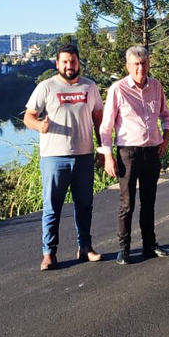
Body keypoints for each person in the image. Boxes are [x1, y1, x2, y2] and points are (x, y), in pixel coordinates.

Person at [24, 44, 104, 271]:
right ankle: (49, 253)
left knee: (85, 205)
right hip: (54, 157)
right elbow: (28, 117)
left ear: (79, 62)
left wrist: (102, 150)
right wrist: (40, 125)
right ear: (57, 64)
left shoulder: (90, 87)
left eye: (74, 61)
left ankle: (85, 248)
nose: (70, 66)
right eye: (65, 62)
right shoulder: (46, 87)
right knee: (52, 207)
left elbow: (99, 119)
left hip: (84, 155)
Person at [100, 46, 169, 265]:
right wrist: (108, 156)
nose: (140, 68)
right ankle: (123, 248)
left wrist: (166, 137)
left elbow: (166, 115)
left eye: (144, 64)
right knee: (127, 202)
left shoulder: (156, 86)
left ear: (148, 64)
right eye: (136, 64)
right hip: (128, 153)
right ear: (128, 66)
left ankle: (149, 245)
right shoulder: (118, 89)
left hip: (152, 151)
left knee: (148, 201)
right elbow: (106, 126)